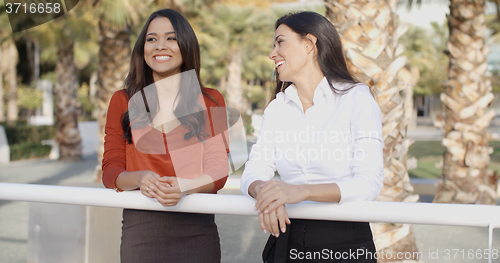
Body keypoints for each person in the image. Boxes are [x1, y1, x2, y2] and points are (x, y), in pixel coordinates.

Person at [240, 11, 384, 263]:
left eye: (280, 42)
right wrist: (265, 192)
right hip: (285, 241)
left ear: (309, 44)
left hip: (344, 244)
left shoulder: (357, 99)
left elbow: (369, 183)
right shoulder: (277, 108)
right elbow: (254, 170)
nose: (272, 53)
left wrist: (300, 192)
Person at [102, 9, 229, 263]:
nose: (160, 46)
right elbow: (110, 171)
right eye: (151, 39)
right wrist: (139, 178)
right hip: (141, 231)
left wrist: (184, 186)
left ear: (186, 46)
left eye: (171, 38)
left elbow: (219, 170)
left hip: (197, 230)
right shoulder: (122, 101)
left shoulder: (211, 100)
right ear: (142, 48)